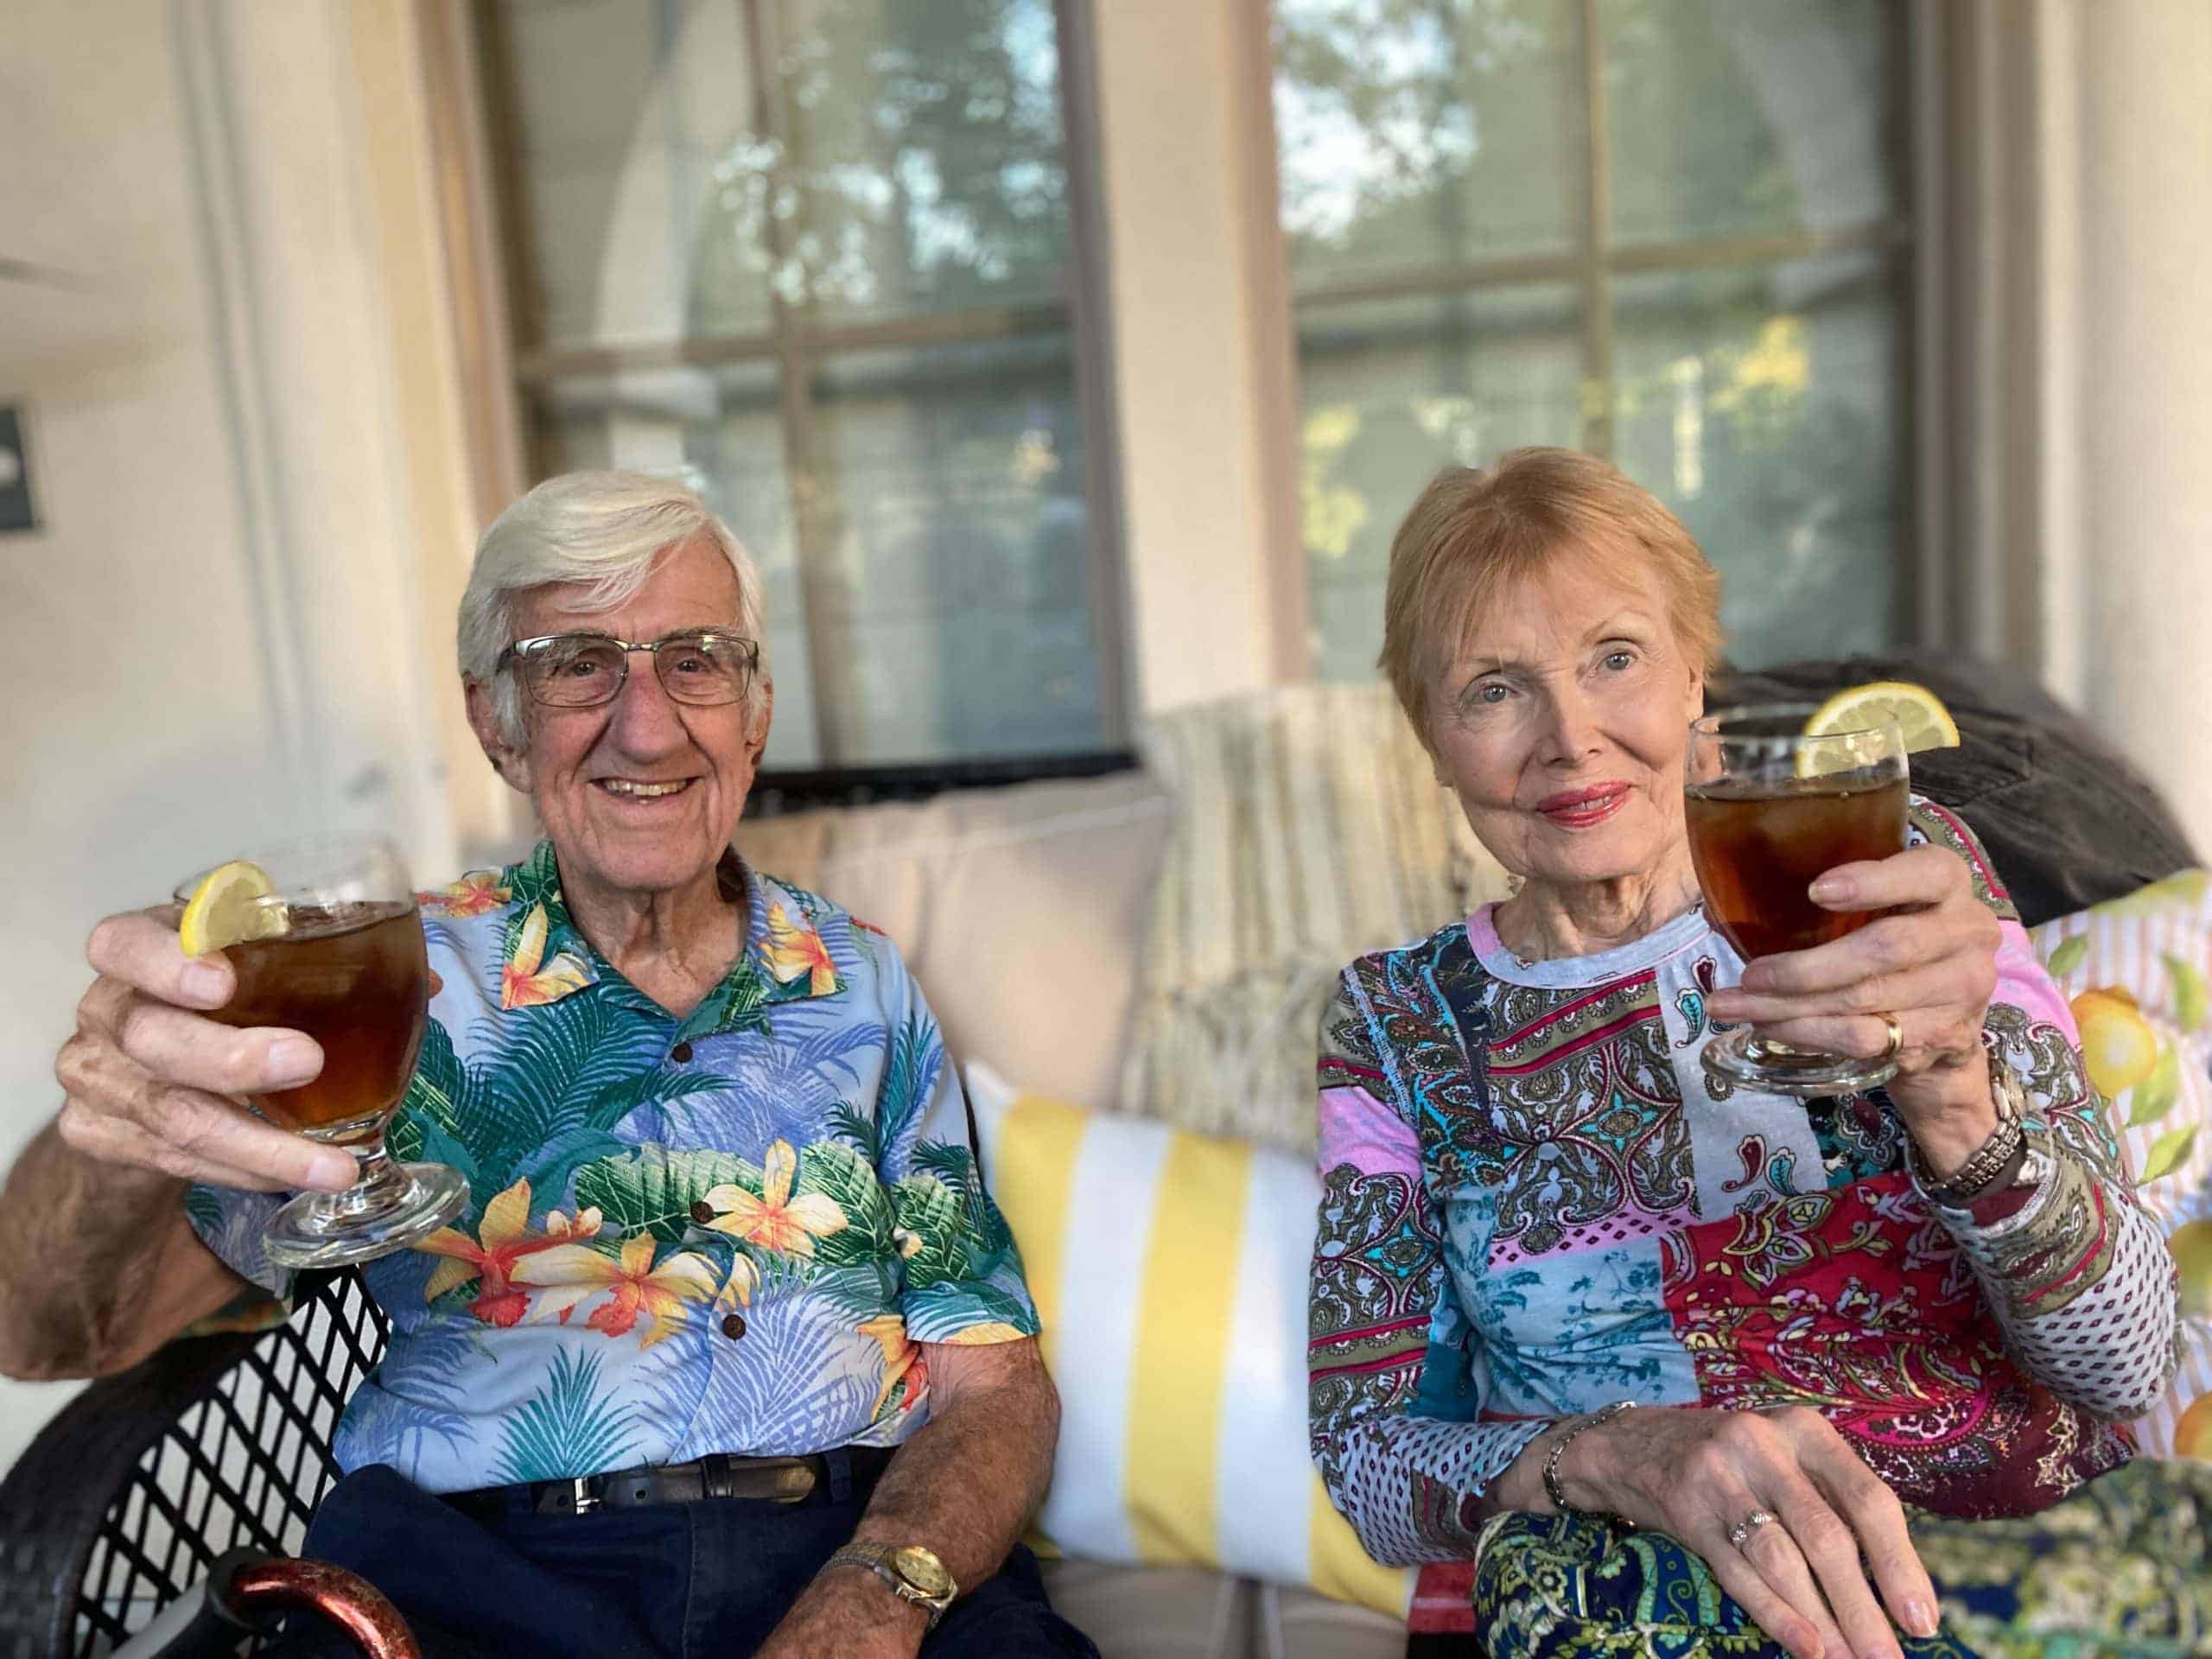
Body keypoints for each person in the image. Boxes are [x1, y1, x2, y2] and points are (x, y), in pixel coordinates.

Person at [0, 472, 1097, 1659]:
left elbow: (993, 1385)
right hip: (478, 1577)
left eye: (695, 660)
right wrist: (114, 1136)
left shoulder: (867, 982)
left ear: (755, 711)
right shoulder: (371, 981)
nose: (646, 723)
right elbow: (56, 1329)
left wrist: (880, 1595)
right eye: (577, 663)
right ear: (495, 721)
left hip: (842, 1543)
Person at [1306, 448, 2208, 1659]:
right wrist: (1620, 1454)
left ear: (1694, 679)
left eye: (1614, 658)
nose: (1572, 737)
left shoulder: (1887, 866)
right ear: (1435, 740)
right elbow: (1368, 1464)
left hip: (2000, 1568)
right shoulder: (1398, 1019)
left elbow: (2127, 1362)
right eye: (1493, 689)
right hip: (1635, 1589)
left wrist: (1956, 1101)